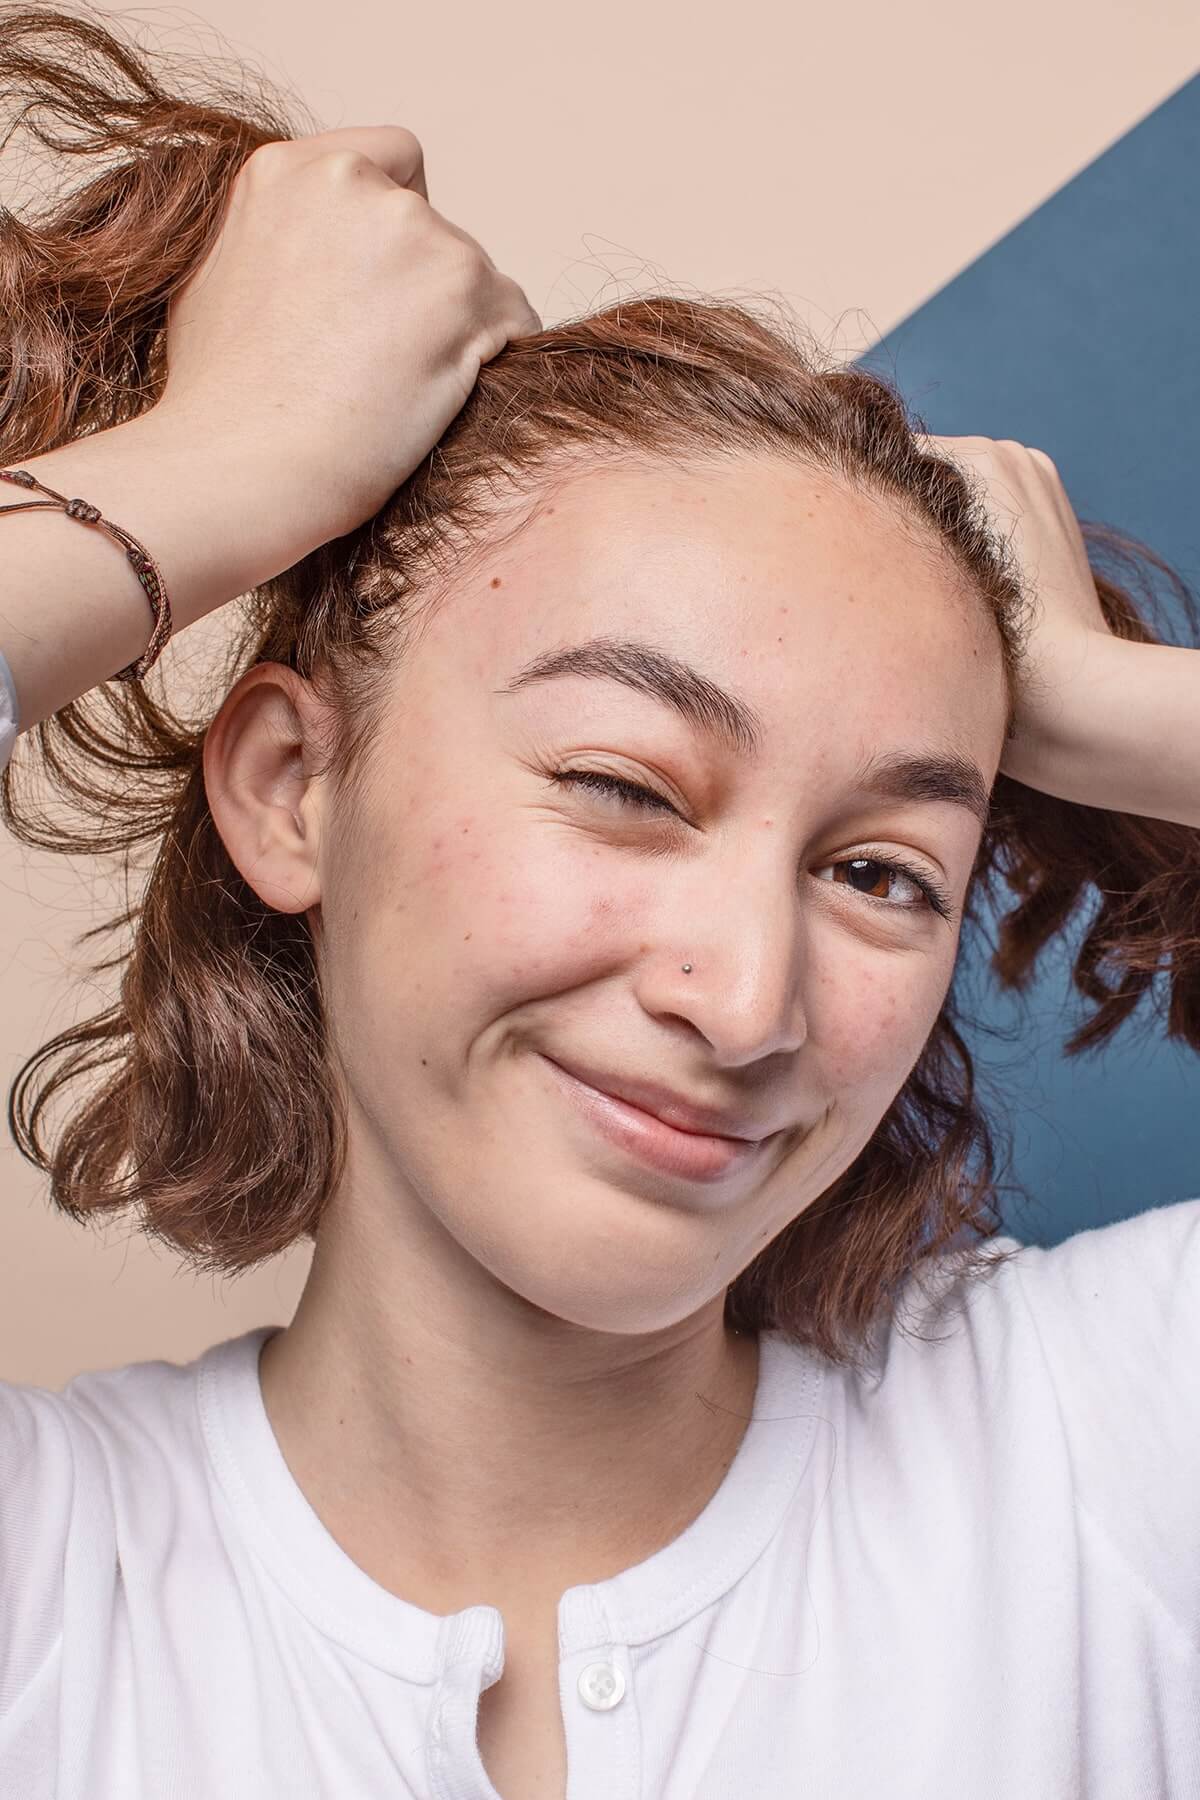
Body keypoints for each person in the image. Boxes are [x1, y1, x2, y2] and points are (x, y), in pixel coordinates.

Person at [0, 9, 1197, 1800]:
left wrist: (1108, 708)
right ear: (289, 788)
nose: (745, 999)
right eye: (625, 789)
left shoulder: (1116, 1465)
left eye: (884, 868)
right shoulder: (48, 1588)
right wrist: (221, 469)